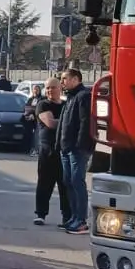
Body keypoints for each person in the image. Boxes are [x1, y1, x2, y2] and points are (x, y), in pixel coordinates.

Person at [57, 68, 94, 235]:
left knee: (77, 181)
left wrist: (80, 145)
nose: (62, 82)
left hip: (77, 148)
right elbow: (63, 123)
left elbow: (85, 122)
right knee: (68, 182)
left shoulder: (83, 96)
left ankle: (81, 221)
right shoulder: (71, 97)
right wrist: (59, 143)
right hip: (66, 147)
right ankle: (73, 217)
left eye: (65, 79)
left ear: (75, 79)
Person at [33, 77, 68, 226]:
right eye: (47, 88)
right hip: (47, 150)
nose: (49, 91)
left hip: (63, 150)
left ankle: (67, 216)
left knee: (65, 185)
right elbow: (51, 123)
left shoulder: (66, 105)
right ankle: (41, 214)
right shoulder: (43, 104)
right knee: (44, 183)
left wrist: (63, 120)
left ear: (60, 88)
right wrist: (67, 121)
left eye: (53, 87)